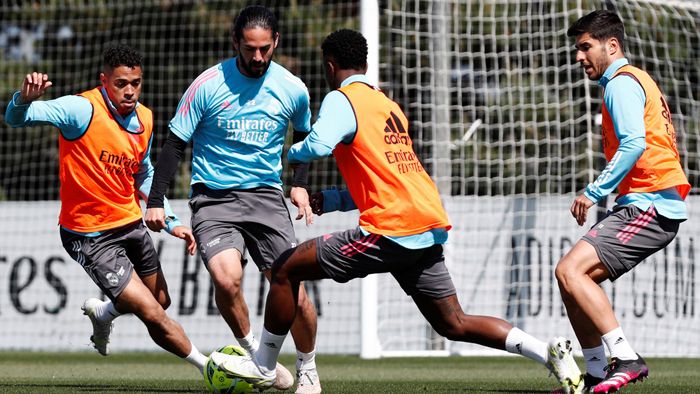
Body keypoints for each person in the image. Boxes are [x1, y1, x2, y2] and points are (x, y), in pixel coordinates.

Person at [213, 28, 583, 393]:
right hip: (422, 221)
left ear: (330, 66)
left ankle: (263, 363)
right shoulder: (387, 104)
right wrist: (334, 199)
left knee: (283, 269)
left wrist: (290, 154)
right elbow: (385, 177)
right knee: (454, 322)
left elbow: (318, 145)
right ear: (366, 62)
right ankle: (546, 352)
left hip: (389, 229)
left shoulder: (343, 99)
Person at [4, 43, 212, 374]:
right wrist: (23, 99)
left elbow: (143, 172)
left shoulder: (145, 117)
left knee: (161, 301)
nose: (130, 91)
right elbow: (15, 119)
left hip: (129, 223)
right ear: (105, 80)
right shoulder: (80, 109)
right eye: (121, 84)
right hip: (89, 235)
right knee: (152, 313)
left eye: (136, 83)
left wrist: (171, 220)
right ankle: (209, 367)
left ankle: (105, 313)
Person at [144, 5, 320, 393]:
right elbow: (175, 144)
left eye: (264, 49)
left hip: (266, 198)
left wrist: (300, 182)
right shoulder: (207, 84)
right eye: (249, 49)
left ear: (275, 42)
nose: (257, 58)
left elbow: (306, 137)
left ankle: (307, 366)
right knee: (227, 280)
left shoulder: (292, 88)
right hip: (213, 199)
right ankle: (256, 355)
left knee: (293, 289)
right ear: (235, 43)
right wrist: (155, 199)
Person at [555, 10, 691, 394]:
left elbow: (634, 143)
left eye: (585, 47)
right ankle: (596, 373)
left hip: (652, 205)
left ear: (611, 45)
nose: (579, 57)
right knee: (572, 282)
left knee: (569, 271)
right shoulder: (635, 80)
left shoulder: (620, 83)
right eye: (577, 49)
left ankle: (626, 358)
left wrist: (592, 191)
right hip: (647, 203)